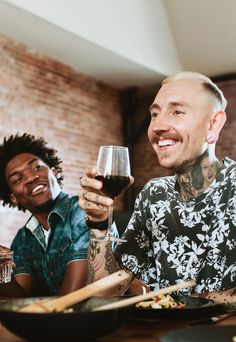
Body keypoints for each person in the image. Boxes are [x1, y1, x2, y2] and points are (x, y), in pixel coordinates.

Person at [78, 71, 236, 303]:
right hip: (161, 337)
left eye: (177, 112)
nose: (158, 126)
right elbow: (105, 292)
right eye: (154, 114)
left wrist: (192, 305)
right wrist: (100, 223)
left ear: (213, 124)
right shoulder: (154, 195)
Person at [0, 133, 89, 297]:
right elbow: (20, 300)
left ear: (54, 172)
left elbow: (74, 296)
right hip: (55, 320)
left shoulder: (83, 211)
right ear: (13, 197)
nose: (31, 178)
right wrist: (1, 274)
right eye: (18, 179)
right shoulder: (22, 239)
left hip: (98, 320)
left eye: (37, 168)